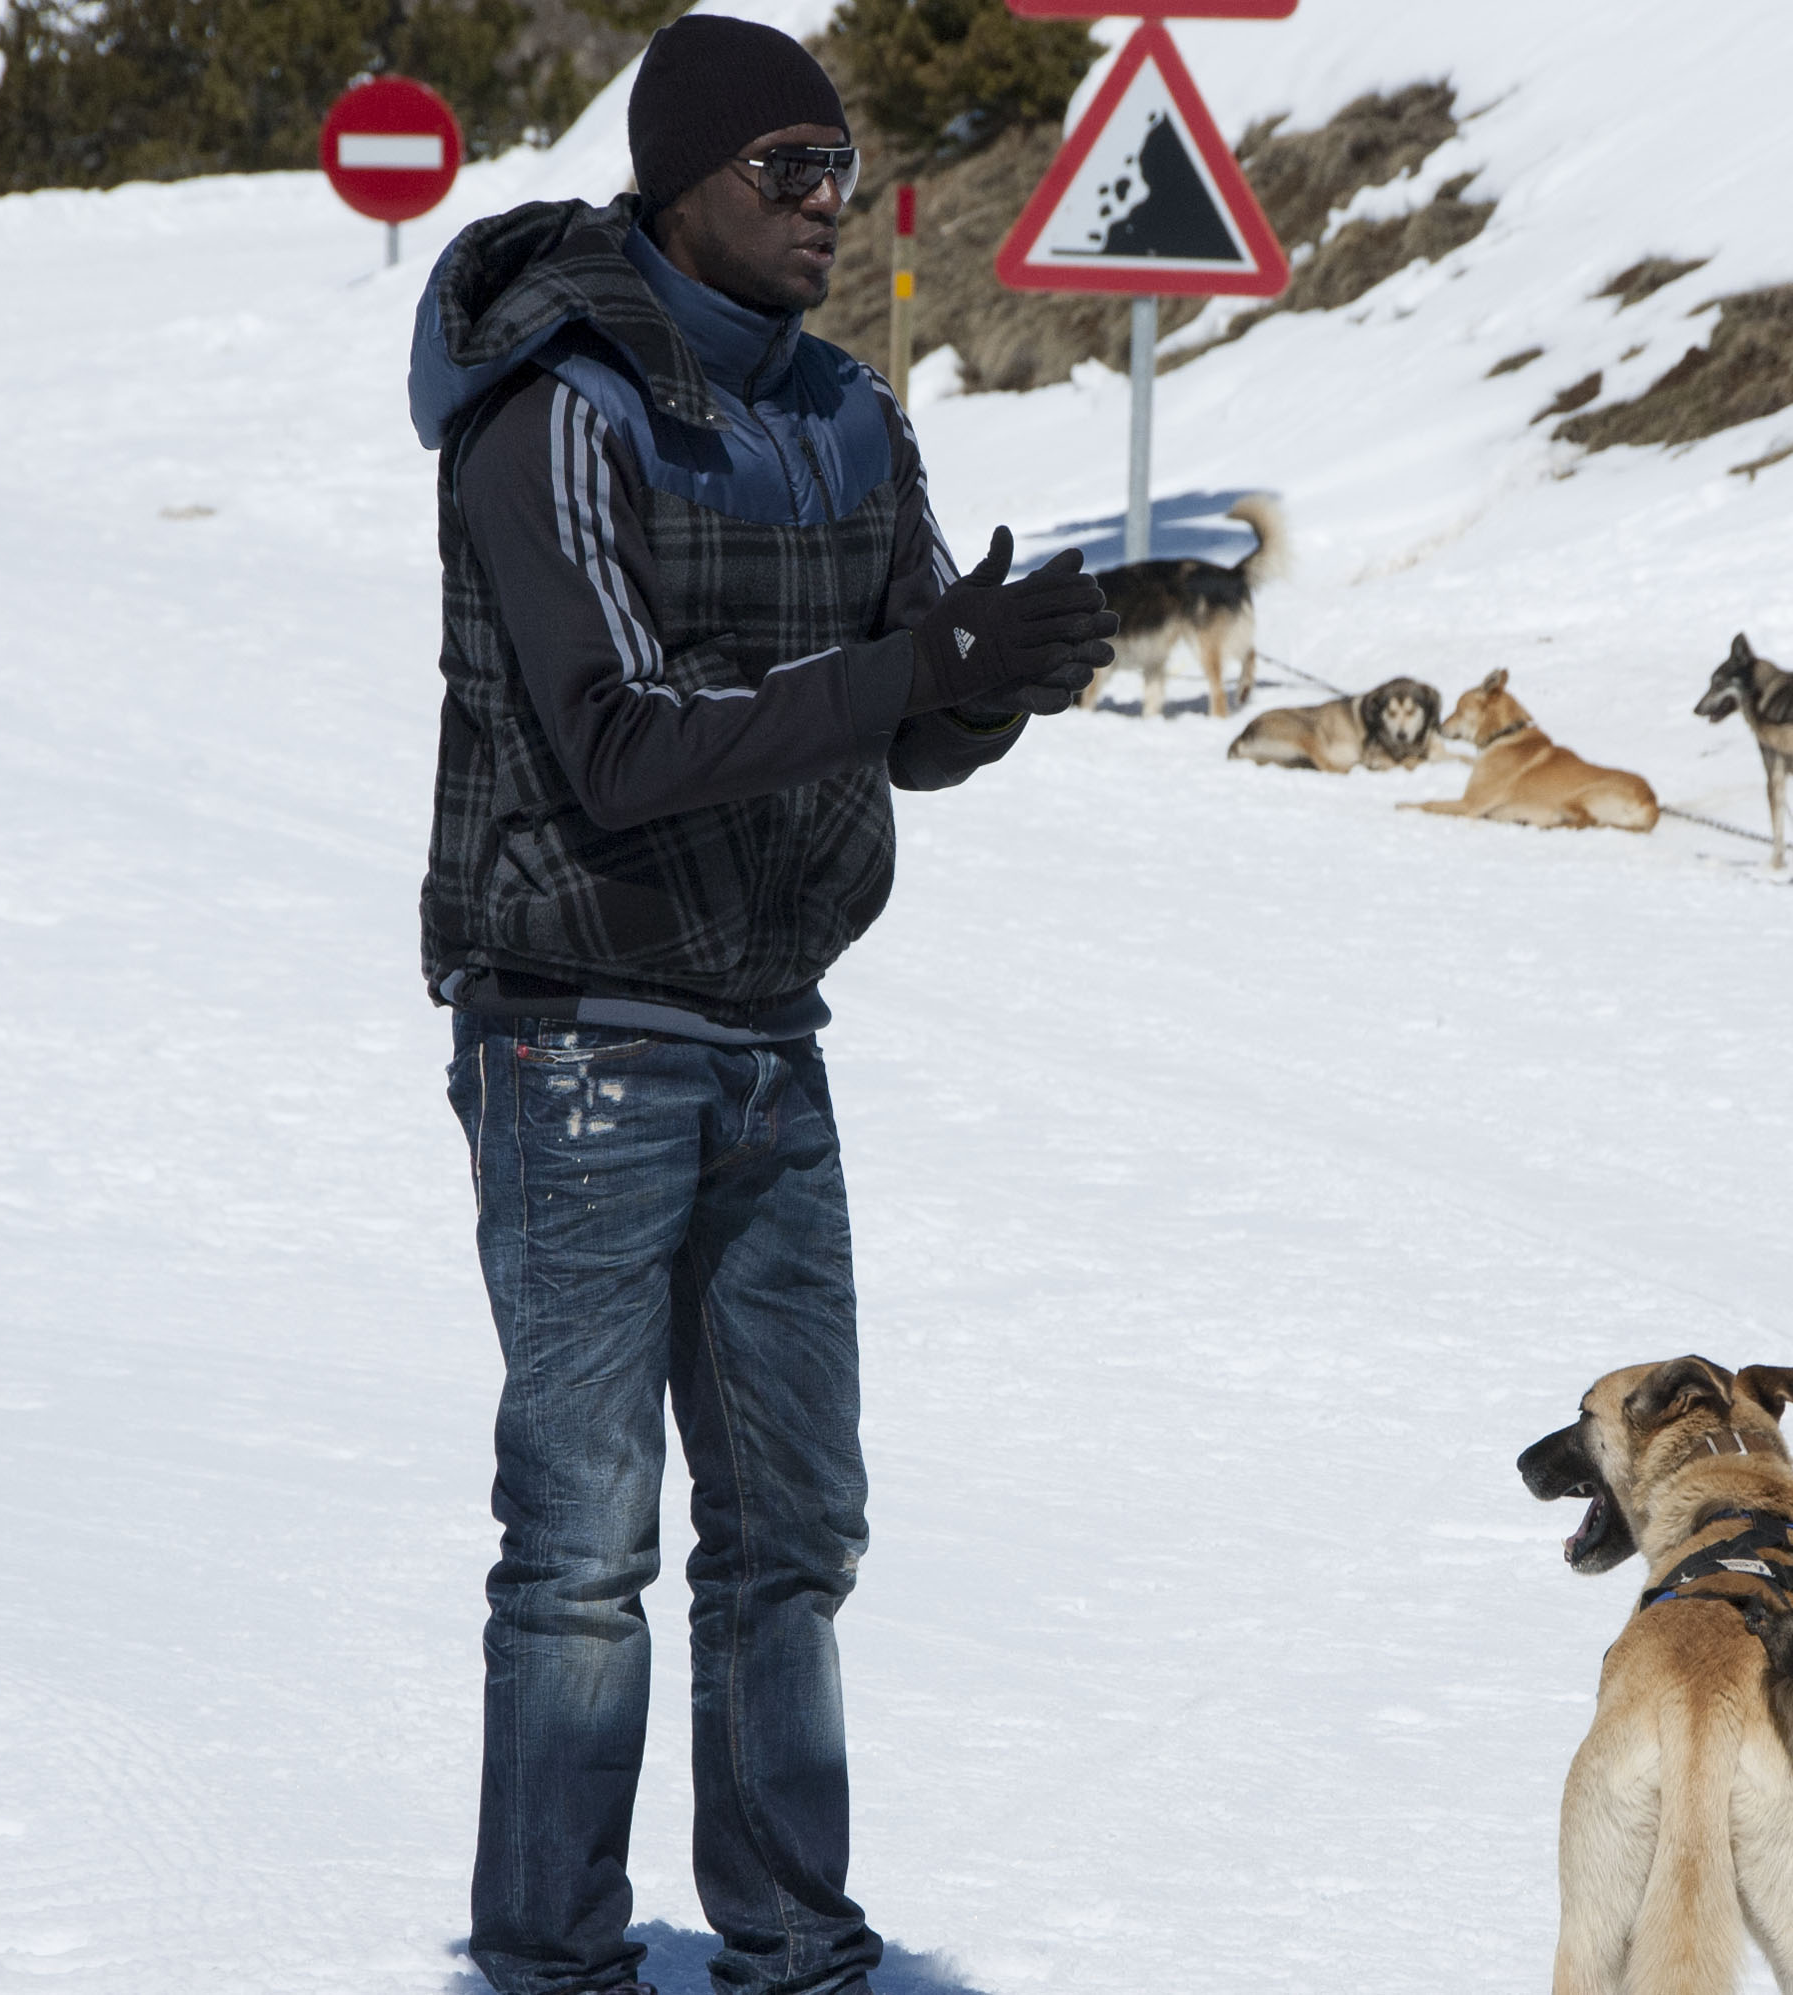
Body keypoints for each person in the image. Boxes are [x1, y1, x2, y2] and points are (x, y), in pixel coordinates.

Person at [404, 20, 1116, 1994]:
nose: (831, 205)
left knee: (796, 1526)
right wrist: (914, 674)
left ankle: (795, 1943)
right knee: (585, 1546)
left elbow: (907, 731)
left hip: (769, 1029)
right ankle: (550, 1959)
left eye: (845, 167)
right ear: (685, 181)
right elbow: (620, 743)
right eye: (788, 168)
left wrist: (992, 672)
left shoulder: (848, 412)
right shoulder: (558, 407)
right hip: (576, 1034)